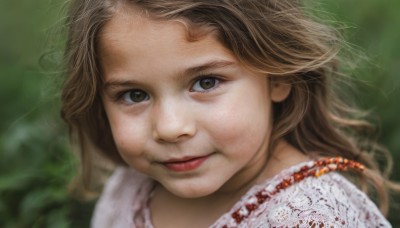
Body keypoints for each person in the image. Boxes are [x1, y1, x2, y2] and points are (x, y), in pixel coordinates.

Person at [60, 0, 399, 227]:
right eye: (134, 95)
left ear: (279, 76)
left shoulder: (311, 216)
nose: (169, 128)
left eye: (206, 82)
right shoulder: (129, 190)